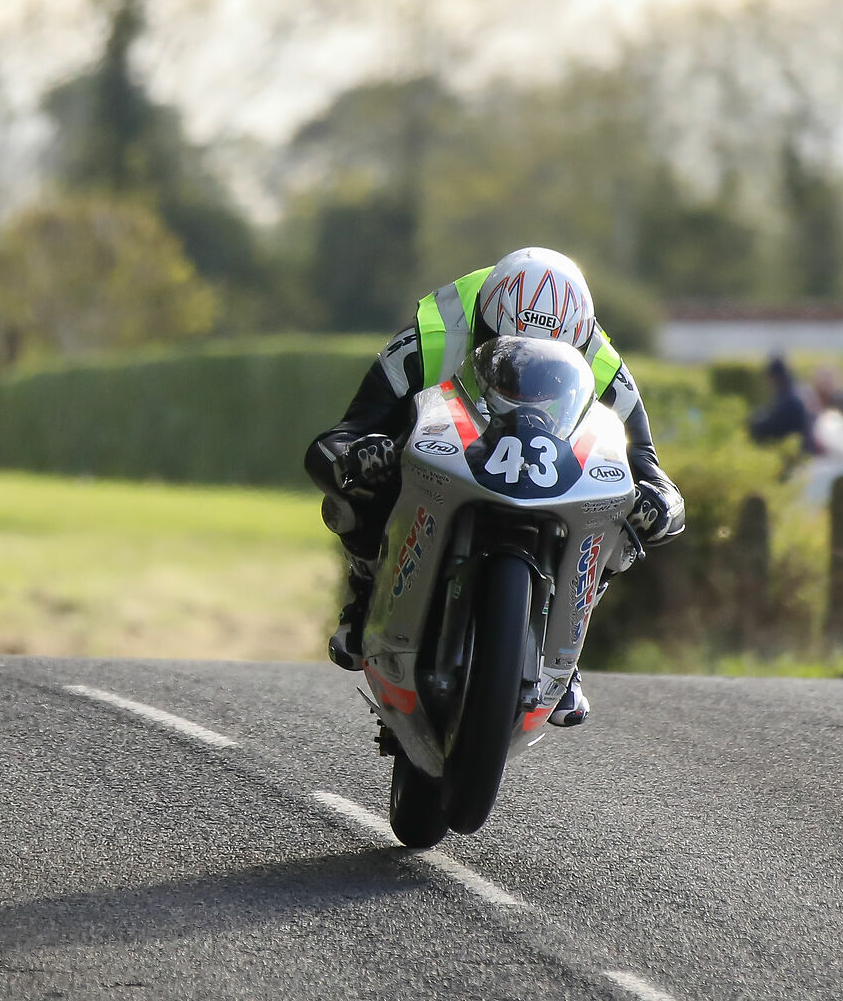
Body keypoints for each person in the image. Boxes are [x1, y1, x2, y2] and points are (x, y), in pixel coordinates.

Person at [303, 247, 686, 726]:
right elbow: (339, 437)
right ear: (483, 326)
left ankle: (563, 651)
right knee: (358, 485)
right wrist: (359, 457)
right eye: (512, 354)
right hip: (452, 449)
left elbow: (650, 470)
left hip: (552, 469)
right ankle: (364, 597)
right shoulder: (432, 335)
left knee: (621, 515)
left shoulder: (603, 364)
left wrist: (658, 504)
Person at [746, 355, 816, 449]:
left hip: (800, 452)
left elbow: (768, 427)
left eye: (769, 379)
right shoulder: (794, 392)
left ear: (775, 378)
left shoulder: (789, 400)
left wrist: (752, 422)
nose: (768, 384)